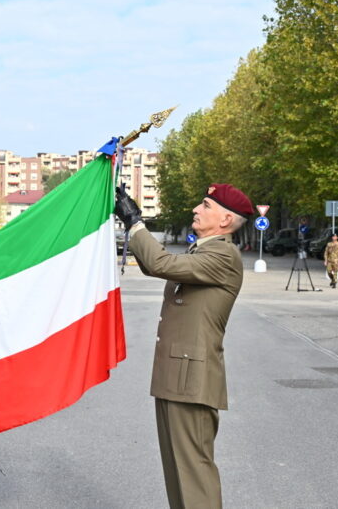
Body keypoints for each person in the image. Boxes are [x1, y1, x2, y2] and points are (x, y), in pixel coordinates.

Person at [115, 183, 253, 509]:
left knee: (193, 475)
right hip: (177, 376)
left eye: (205, 205)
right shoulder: (203, 251)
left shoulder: (223, 255)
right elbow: (154, 264)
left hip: (192, 380)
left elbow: (161, 264)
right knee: (178, 472)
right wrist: (131, 224)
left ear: (225, 220)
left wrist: (135, 222)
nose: (196, 209)